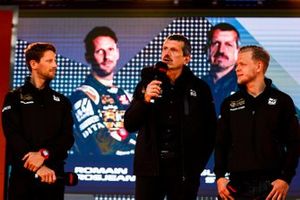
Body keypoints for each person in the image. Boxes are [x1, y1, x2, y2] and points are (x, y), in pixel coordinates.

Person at [124, 34, 217, 200]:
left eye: (173, 50)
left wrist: (194, 167)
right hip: (150, 170)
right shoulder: (147, 83)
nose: (166, 54)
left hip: (183, 172)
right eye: (164, 49)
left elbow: (210, 132)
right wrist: (144, 100)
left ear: (186, 58)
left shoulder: (200, 88)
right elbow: (129, 124)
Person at [214, 45, 300, 200]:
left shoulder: (283, 101)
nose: (237, 69)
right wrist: (220, 178)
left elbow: (295, 143)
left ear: (259, 66)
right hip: (235, 186)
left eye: (242, 64)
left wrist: (285, 179)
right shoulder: (230, 103)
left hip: (271, 187)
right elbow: (221, 144)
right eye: (236, 65)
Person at [1, 42, 74, 200]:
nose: (55, 65)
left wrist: (44, 154)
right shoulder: (13, 98)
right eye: (49, 61)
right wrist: (38, 167)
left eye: (55, 61)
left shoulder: (62, 102)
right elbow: (13, 135)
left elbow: (67, 138)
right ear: (33, 64)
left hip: (53, 178)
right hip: (21, 179)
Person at [69, 26, 135, 156]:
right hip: (94, 172)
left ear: (117, 52)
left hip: (130, 173)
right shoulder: (82, 96)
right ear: (88, 57)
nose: (106, 57)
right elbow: (102, 147)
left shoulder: (126, 96)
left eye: (110, 49)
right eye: (99, 51)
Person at [202, 23, 240, 116]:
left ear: (238, 51)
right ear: (206, 48)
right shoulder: (196, 86)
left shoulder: (250, 86)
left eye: (228, 45)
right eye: (216, 43)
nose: (221, 50)